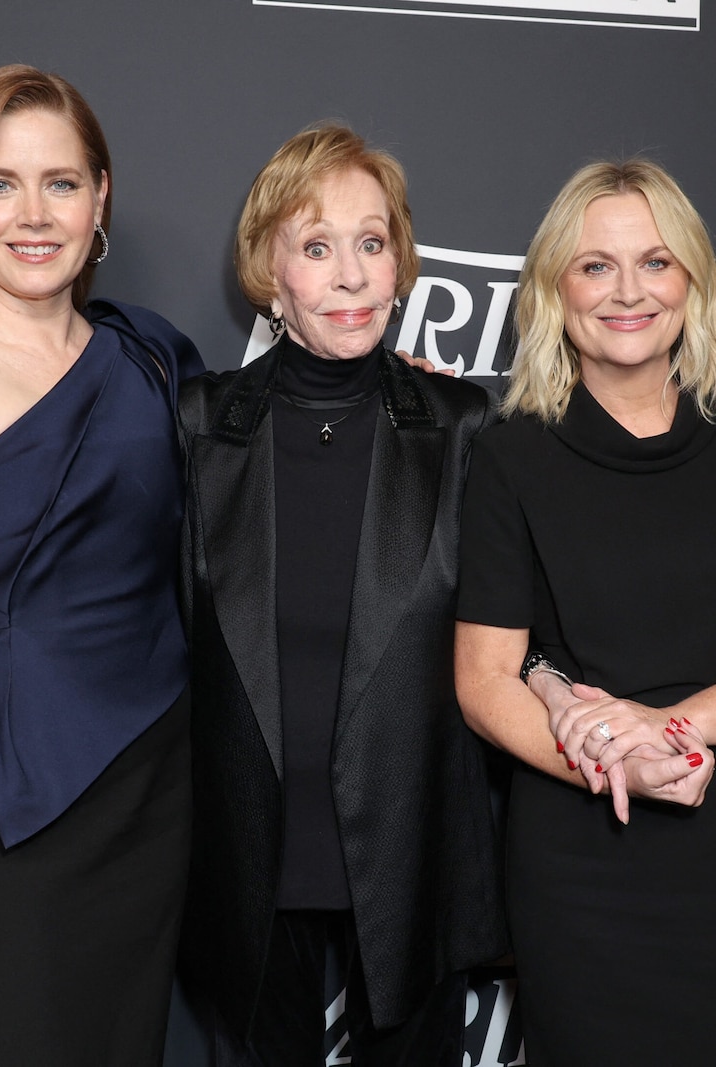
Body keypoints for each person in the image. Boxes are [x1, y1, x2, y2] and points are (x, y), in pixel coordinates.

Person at [176, 124, 506, 1067]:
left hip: (413, 863)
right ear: (270, 272)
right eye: (317, 247)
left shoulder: (462, 425)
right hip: (243, 864)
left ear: (401, 263)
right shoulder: (199, 425)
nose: (352, 274)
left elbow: (512, 640)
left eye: (373, 242)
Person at [0, 65, 204, 1065]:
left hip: (149, 792)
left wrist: (407, 395)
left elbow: (277, 485)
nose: (32, 215)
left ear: (101, 196)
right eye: (0, 184)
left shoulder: (154, 357)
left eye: (61, 183)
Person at [454, 159, 716, 1067]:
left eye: (656, 262)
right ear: (555, 289)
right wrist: (619, 761)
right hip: (583, 857)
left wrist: (669, 734)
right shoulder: (511, 456)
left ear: (691, 280)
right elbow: (487, 679)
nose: (629, 291)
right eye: (596, 266)